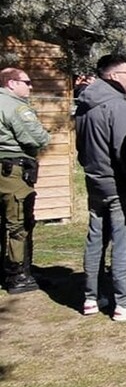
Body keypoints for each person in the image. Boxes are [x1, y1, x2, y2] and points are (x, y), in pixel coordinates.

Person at [74, 54, 126, 320]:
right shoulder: (118, 106)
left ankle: (91, 297)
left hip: (95, 181)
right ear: (114, 76)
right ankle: (124, 302)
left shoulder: (83, 105)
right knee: (123, 241)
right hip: (119, 184)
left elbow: (80, 147)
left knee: (95, 238)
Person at [0, 67, 51, 294]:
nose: (31, 86)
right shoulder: (15, 107)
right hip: (12, 170)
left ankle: (12, 269)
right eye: (26, 82)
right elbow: (37, 138)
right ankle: (18, 274)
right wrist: (45, 135)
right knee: (19, 223)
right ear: (11, 83)